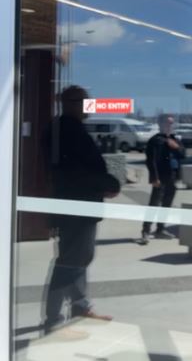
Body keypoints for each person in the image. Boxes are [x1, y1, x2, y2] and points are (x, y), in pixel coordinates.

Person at [44, 85, 121, 334]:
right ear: (70, 103)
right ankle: (53, 321)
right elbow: (73, 173)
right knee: (70, 262)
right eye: (84, 102)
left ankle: (79, 307)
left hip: (78, 206)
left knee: (79, 259)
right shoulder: (66, 130)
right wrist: (108, 184)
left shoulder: (65, 129)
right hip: (75, 207)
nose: (87, 107)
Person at [140, 113, 185, 244]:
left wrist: (176, 147)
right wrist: (154, 178)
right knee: (154, 205)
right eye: (167, 123)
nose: (170, 125)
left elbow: (183, 154)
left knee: (167, 205)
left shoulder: (175, 139)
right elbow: (150, 160)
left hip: (173, 177)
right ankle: (145, 231)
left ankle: (160, 229)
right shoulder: (155, 140)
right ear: (160, 124)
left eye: (171, 123)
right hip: (160, 177)